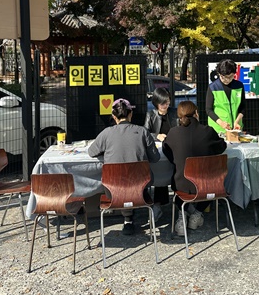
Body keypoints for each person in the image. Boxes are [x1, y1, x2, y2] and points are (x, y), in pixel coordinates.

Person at [88, 98, 161, 235]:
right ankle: (130, 218)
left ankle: (128, 220)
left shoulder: (106, 133)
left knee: (121, 181)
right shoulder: (142, 132)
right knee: (135, 181)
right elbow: (155, 158)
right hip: (140, 189)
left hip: (112, 191)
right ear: (130, 114)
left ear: (114, 116)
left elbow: (91, 152)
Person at [162, 101, 227, 236]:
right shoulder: (208, 131)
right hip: (207, 185)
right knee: (209, 183)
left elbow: (167, 153)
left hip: (182, 185)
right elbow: (222, 147)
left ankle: (181, 216)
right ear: (196, 113)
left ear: (179, 116)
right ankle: (197, 214)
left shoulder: (173, 133)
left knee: (179, 178)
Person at [144, 87, 178, 219]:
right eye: (163, 103)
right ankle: (157, 204)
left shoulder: (174, 113)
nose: (166, 106)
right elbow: (145, 133)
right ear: (156, 103)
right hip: (159, 150)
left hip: (173, 148)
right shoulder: (151, 115)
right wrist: (157, 135)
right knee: (159, 169)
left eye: (168, 102)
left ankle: (178, 201)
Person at [206, 59, 245, 134]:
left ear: (234, 74)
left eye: (230, 77)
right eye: (223, 77)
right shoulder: (213, 87)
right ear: (219, 74)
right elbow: (208, 110)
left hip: (235, 128)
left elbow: (243, 107)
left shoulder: (239, 86)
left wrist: (237, 121)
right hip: (217, 129)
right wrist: (221, 123)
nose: (227, 80)